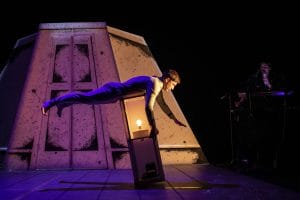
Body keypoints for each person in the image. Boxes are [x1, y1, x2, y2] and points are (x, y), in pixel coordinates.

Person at [42, 69, 187, 137]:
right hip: (113, 91)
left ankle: (62, 104)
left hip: (114, 94)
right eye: (173, 84)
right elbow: (149, 107)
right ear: (168, 79)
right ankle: (50, 103)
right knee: (84, 97)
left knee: (85, 100)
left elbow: (162, 104)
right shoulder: (155, 84)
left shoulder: (157, 83)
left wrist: (174, 119)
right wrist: (152, 127)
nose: (173, 88)